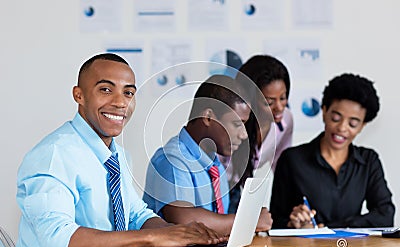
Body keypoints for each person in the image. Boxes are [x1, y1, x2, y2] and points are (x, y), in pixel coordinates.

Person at [16, 53, 225, 247]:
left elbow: (136, 214)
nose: (120, 102)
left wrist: (179, 234)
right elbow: (59, 240)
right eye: (105, 90)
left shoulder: (117, 156)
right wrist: (152, 238)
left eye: (128, 93)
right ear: (79, 95)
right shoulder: (54, 155)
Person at [143, 74, 273, 236]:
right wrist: (249, 220)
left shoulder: (214, 164)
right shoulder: (172, 159)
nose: (244, 135)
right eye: (236, 124)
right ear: (209, 117)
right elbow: (184, 220)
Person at [270, 73, 395, 229]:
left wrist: (331, 228)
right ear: (324, 112)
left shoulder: (368, 161)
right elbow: (275, 221)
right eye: (336, 118)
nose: (342, 128)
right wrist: (293, 223)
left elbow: (385, 214)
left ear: (362, 126)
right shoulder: (292, 160)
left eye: (353, 123)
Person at [221, 54, 293, 213]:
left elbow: (281, 166)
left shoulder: (286, 120)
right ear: (250, 99)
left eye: (283, 98)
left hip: (242, 190)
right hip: (219, 190)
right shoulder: (233, 122)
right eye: (269, 102)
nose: (280, 107)